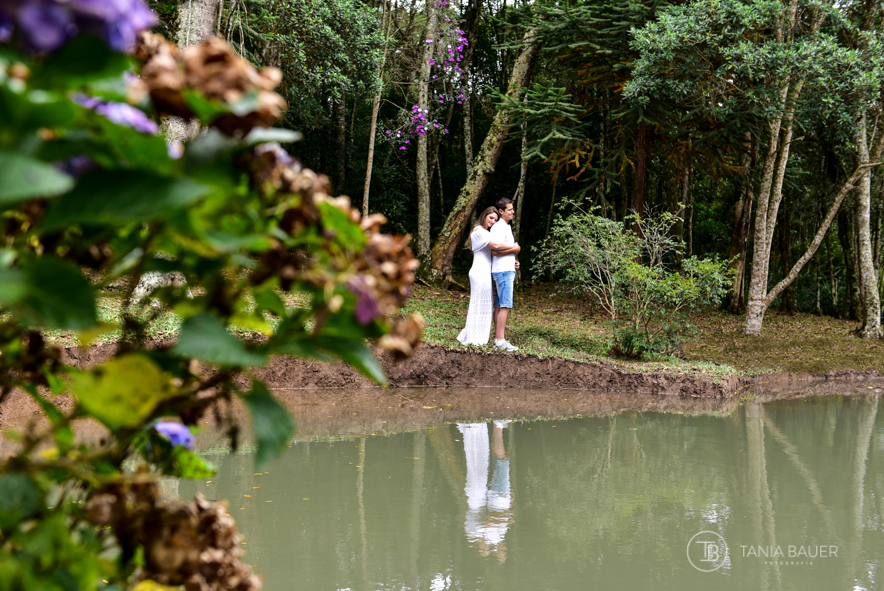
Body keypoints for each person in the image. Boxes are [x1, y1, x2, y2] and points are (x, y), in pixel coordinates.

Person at [457, 207, 508, 346]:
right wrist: (514, 247)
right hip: (479, 271)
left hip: (485, 271)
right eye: (491, 218)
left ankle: (477, 336)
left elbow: (494, 253)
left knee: (484, 304)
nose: (493, 221)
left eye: (495, 220)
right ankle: (474, 337)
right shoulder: (478, 231)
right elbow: (496, 245)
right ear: (484, 215)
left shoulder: (485, 232)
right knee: (478, 303)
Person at [489, 197, 520, 351]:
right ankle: (500, 340)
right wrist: (514, 249)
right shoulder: (498, 227)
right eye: (509, 209)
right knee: (505, 305)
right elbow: (495, 251)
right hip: (503, 272)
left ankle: (497, 339)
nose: (512, 212)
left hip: (505, 269)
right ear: (501, 211)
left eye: (512, 209)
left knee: (500, 305)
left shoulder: (506, 227)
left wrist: (513, 259)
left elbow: (502, 251)